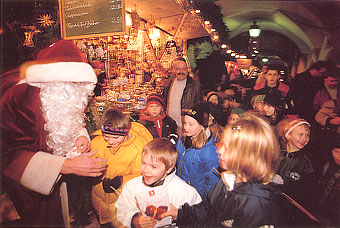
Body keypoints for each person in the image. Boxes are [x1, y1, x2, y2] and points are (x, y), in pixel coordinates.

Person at [1, 40, 108, 227]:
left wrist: (78, 135)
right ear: (57, 78)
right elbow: (9, 156)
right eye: (73, 82)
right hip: (20, 198)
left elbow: (65, 119)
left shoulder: (59, 94)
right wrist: (66, 166)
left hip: (51, 192)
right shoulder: (20, 99)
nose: (77, 88)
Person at [161, 113, 286, 227]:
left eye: (227, 147)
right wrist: (178, 213)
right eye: (221, 144)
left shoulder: (257, 207)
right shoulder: (226, 182)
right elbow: (205, 212)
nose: (219, 150)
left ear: (248, 155)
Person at [115, 138, 202, 228]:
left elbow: (199, 219)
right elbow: (122, 209)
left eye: (154, 167)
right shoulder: (132, 186)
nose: (145, 170)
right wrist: (134, 219)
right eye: (144, 163)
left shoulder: (184, 191)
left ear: (169, 168)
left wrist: (180, 216)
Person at [91, 108, 153, 227]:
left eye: (115, 138)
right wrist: (92, 176)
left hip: (123, 201)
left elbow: (141, 174)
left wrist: (120, 181)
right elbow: (92, 162)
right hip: (100, 200)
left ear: (125, 134)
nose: (110, 141)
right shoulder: (97, 142)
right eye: (106, 137)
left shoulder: (137, 148)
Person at [276, 117, 319, 224]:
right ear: (288, 135)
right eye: (300, 134)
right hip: (271, 204)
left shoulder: (307, 162)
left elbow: (311, 193)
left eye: (307, 135)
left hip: (290, 211)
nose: (304, 139)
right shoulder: (277, 154)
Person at [176, 105, 220, 197]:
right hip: (180, 190)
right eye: (185, 123)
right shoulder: (182, 141)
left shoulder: (209, 151)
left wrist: (206, 199)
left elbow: (212, 180)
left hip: (196, 195)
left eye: (191, 124)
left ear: (201, 126)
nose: (186, 127)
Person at [163, 57, 202, 131]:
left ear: (187, 70)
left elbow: (199, 106)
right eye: (178, 69)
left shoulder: (194, 85)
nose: (181, 71)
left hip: (186, 125)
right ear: (173, 70)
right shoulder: (169, 83)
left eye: (184, 69)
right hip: (171, 124)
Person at [317, 138, 340, 226]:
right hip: (316, 211)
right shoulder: (325, 164)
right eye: (337, 152)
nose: (339, 156)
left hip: (333, 219)